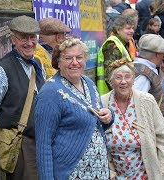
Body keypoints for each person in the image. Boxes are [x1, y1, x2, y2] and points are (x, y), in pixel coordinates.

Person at [34, 35, 114, 179]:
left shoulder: (89, 83)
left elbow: (95, 124)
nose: (75, 62)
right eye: (68, 58)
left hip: (98, 172)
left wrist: (109, 116)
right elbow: (43, 144)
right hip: (71, 174)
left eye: (79, 57)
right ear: (58, 62)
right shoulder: (50, 93)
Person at [0, 15, 45, 180]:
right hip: (19, 145)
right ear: (13, 40)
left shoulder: (38, 65)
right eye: (23, 38)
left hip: (41, 143)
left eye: (33, 37)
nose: (29, 42)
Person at [101, 59, 164, 179]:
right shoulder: (102, 103)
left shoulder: (146, 100)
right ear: (111, 81)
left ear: (133, 80)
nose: (123, 81)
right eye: (118, 77)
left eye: (128, 77)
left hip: (146, 175)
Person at [133, 34, 164, 123]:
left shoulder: (146, 68)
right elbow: (135, 103)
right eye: (163, 53)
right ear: (158, 55)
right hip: (148, 127)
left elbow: (159, 96)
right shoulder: (144, 74)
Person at [97, 15, 136, 95]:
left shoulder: (122, 43)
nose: (132, 31)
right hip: (111, 96)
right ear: (118, 30)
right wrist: (120, 95)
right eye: (128, 28)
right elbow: (110, 74)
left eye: (132, 28)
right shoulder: (112, 45)